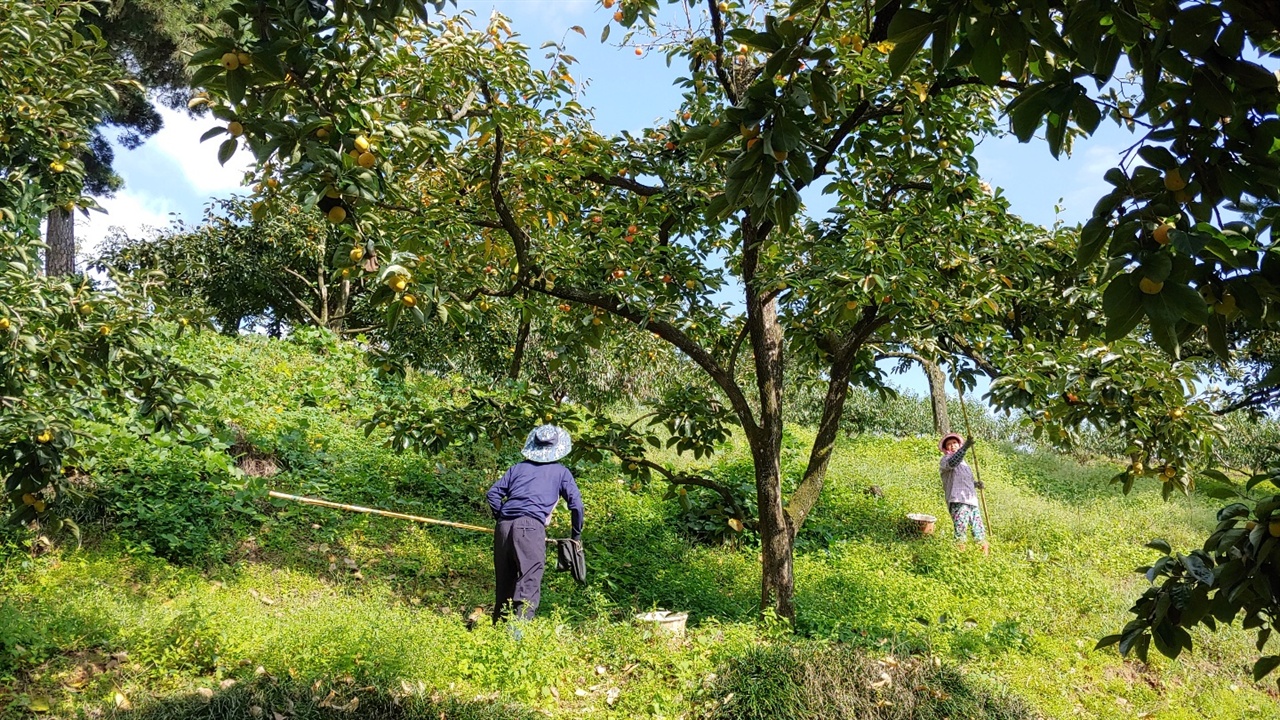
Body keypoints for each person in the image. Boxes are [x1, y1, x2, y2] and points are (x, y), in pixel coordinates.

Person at [485, 424, 583, 623]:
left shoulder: (517, 468)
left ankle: (497, 635)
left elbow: (493, 494)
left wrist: (502, 518)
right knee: (528, 583)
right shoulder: (561, 472)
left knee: (505, 584)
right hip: (531, 528)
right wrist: (576, 536)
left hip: (504, 527)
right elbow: (577, 506)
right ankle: (517, 638)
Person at [939, 433, 988, 555]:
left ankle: (985, 559)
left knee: (979, 531)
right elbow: (953, 462)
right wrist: (965, 447)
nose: (952, 446)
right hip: (958, 500)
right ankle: (960, 557)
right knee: (961, 530)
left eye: (954, 443)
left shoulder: (965, 465)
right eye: (949, 444)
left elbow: (966, 481)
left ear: (958, 444)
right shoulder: (945, 460)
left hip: (971, 501)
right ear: (946, 449)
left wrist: (976, 484)